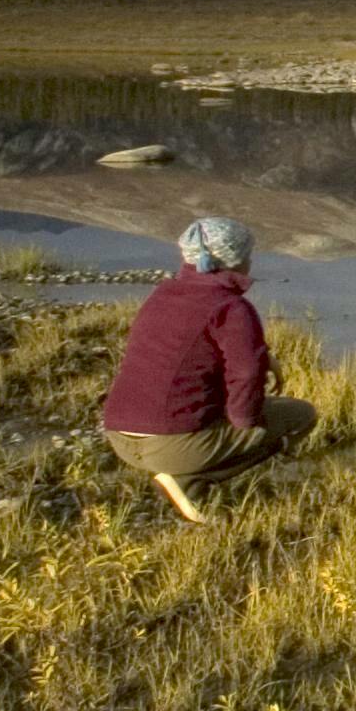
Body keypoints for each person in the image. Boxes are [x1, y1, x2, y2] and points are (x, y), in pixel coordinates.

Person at [100, 216, 314, 521]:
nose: (251, 262)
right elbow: (246, 374)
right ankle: (191, 480)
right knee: (300, 416)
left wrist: (264, 357)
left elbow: (193, 348)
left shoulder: (164, 293)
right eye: (248, 255)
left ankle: (184, 470)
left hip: (120, 435)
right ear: (236, 261)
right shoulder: (230, 307)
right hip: (170, 445)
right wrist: (246, 422)